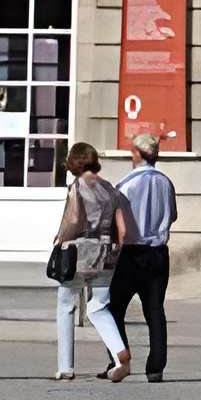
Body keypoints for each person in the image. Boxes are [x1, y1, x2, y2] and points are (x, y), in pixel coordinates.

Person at [51, 141, 133, 382]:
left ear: (74, 163)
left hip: (80, 251)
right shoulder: (110, 189)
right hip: (106, 253)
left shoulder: (78, 186)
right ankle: (120, 355)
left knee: (66, 304)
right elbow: (123, 230)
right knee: (99, 306)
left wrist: (59, 239)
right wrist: (115, 248)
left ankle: (66, 366)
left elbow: (74, 220)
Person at [110, 133, 177, 381]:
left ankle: (119, 359)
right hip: (158, 252)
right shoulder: (166, 182)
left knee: (114, 308)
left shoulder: (125, 184)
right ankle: (156, 367)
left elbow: (117, 223)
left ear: (136, 153)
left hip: (132, 252)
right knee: (155, 311)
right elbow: (172, 215)